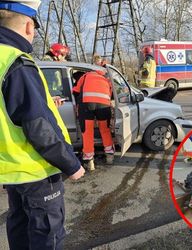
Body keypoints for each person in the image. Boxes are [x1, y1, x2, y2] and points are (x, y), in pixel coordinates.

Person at [0, 1, 85, 249]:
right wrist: (71, 164)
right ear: (28, 26)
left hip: (12, 170)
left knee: (19, 226)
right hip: (37, 170)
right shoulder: (17, 62)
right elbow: (39, 127)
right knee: (47, 235)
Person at [73, 70, 115, 170]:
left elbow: (75, 91)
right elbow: (111, 95)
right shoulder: (106, 78)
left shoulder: (85, 76)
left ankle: (89, 161)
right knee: (105, 130)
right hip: (104, 105)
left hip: (86, 105)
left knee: (87, 132)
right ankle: (109, 156)